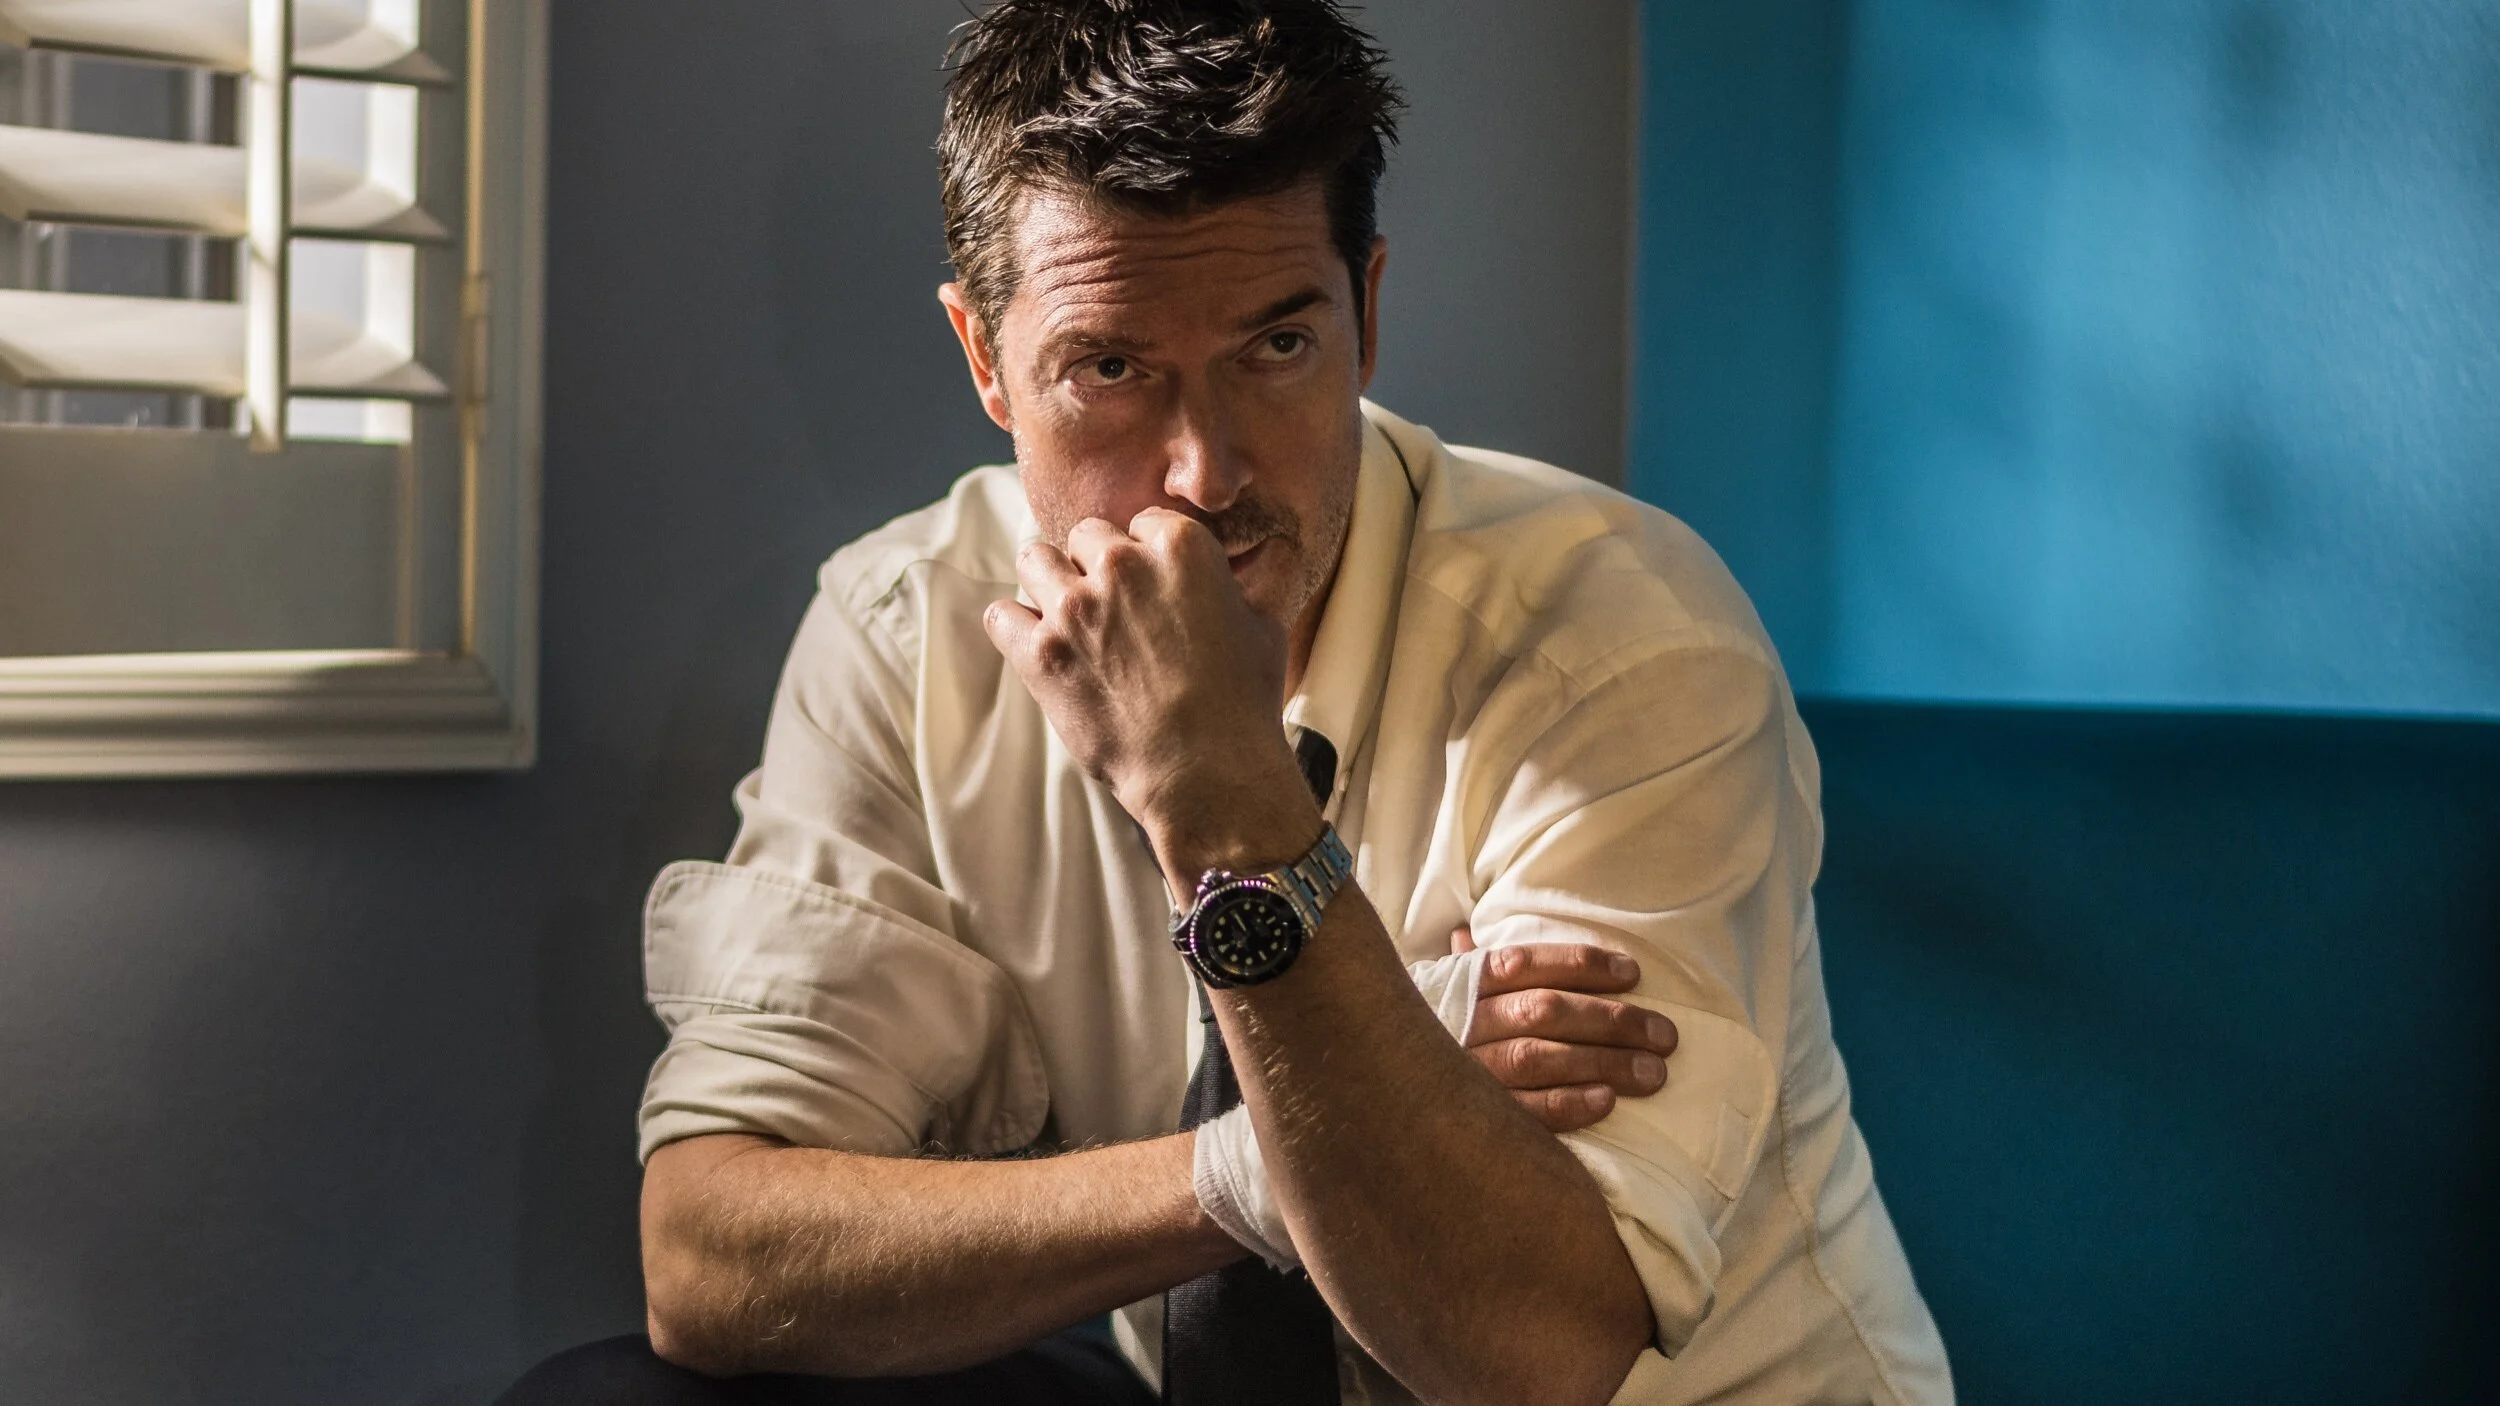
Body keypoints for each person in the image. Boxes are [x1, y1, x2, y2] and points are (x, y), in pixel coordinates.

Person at [499, 2, 1951, 1403]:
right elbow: (710, 1260)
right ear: (985, 359)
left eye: (1277, 347)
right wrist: (1265, 1159)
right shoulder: (908, 628)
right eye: (1110, 367)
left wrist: (1226, 805)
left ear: (1366, 311)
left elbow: (1537, 1357)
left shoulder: (1621, 640)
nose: (1206, 472)